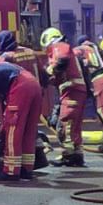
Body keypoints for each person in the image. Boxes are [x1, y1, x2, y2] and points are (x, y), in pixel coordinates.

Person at [0, 59, 43, 181]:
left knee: (12, 128)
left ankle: (11, 171)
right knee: (28, 129)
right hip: (34, 84)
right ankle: (26, 168)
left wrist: (2, 122)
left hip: (20, 86)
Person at [40, 26, 86, 166]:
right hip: (74, 91)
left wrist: (49, 71)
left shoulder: (59, 45)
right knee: (74, 126)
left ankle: (68, 155)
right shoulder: (65, 47)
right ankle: (77, 155)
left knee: (64, 124)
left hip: (71, 91)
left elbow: (61, 61)